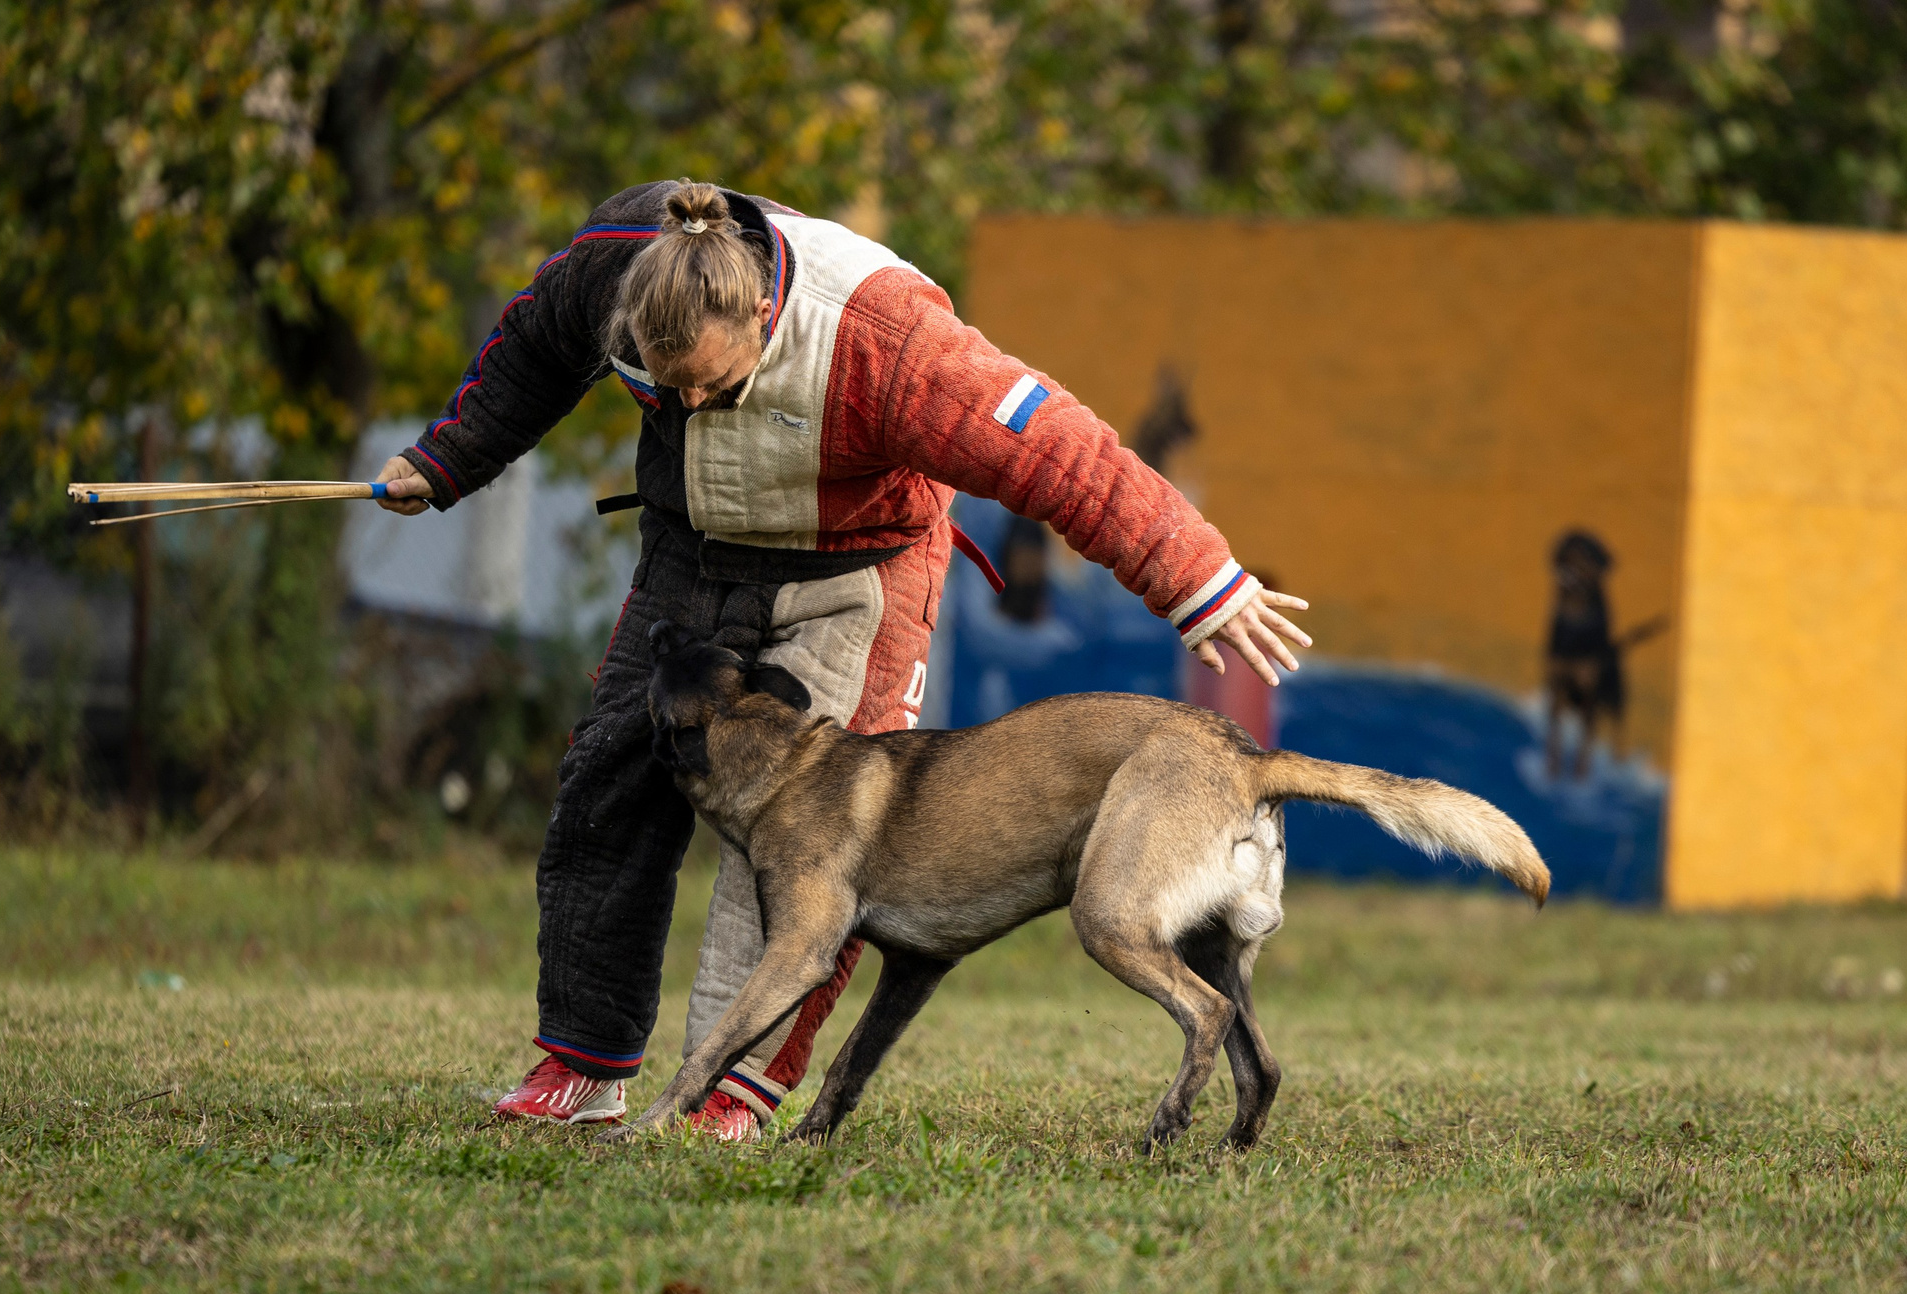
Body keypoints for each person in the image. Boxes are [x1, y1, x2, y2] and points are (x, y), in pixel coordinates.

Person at [373, 180, 1313, 1139]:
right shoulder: (612, 263)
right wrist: (447, 460)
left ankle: (728, 1098)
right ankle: (581, 1065)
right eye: (669, 386)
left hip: (858, 571)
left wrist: (1199, 579)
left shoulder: (887, 340)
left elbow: (1062, 452)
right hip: (693, 552)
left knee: (808, 841)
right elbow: (529, 352)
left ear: (764, 314)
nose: (692, 405)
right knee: (607, 778)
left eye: (716, 384)